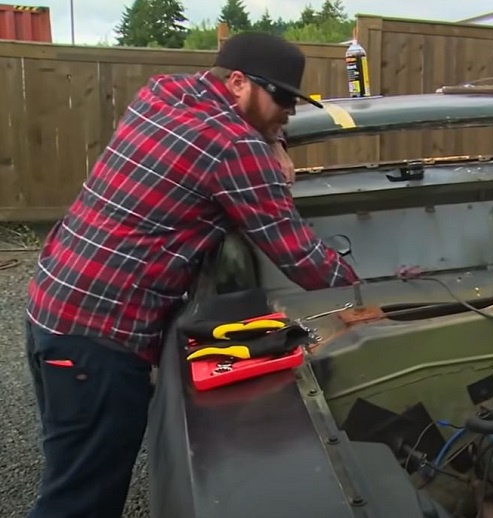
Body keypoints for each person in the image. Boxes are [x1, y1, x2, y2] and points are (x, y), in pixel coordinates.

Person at [23, 32, 359, 518]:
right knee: (79, 502)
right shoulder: (233, 147)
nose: (289, 110)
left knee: (70, 470)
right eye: (283, 98)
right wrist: (368, 296)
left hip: (51, 308)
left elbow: (237, 121)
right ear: (240, 82)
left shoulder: (161, 93)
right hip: (100, 340)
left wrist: (274, 138)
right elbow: (300, 255)